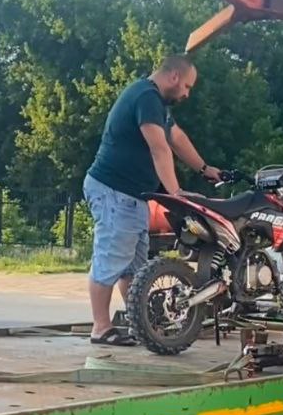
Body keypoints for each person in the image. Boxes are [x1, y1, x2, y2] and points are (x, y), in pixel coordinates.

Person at [83, 55, 222, 345]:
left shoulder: (155, 103)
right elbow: (160, 149)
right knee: (110, 258)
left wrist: (205, 168)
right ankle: (101, 327)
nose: (186, 93)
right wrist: (176, 195)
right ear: (173, 76)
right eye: (186, 86)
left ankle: (139, 323)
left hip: (133, 197)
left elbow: (176, 137)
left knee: (133, 267)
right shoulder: (146, 96)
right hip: (113, 190)